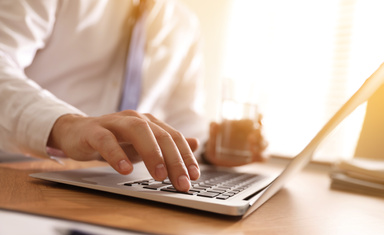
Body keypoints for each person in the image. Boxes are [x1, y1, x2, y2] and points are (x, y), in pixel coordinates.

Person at [0, 0, 267, 192]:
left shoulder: (184, 25)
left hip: (115, 185)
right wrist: (65, 125)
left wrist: (210, 151)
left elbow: (184, 121)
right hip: (20, 175)